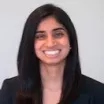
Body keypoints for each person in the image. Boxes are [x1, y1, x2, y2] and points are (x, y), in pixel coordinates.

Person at [0, 3, 104, 104]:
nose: (50, 44)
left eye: (58, 34)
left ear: (71, 41)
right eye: (40, 36)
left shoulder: (98, 92)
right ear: (30, 44)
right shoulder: (10, 90)